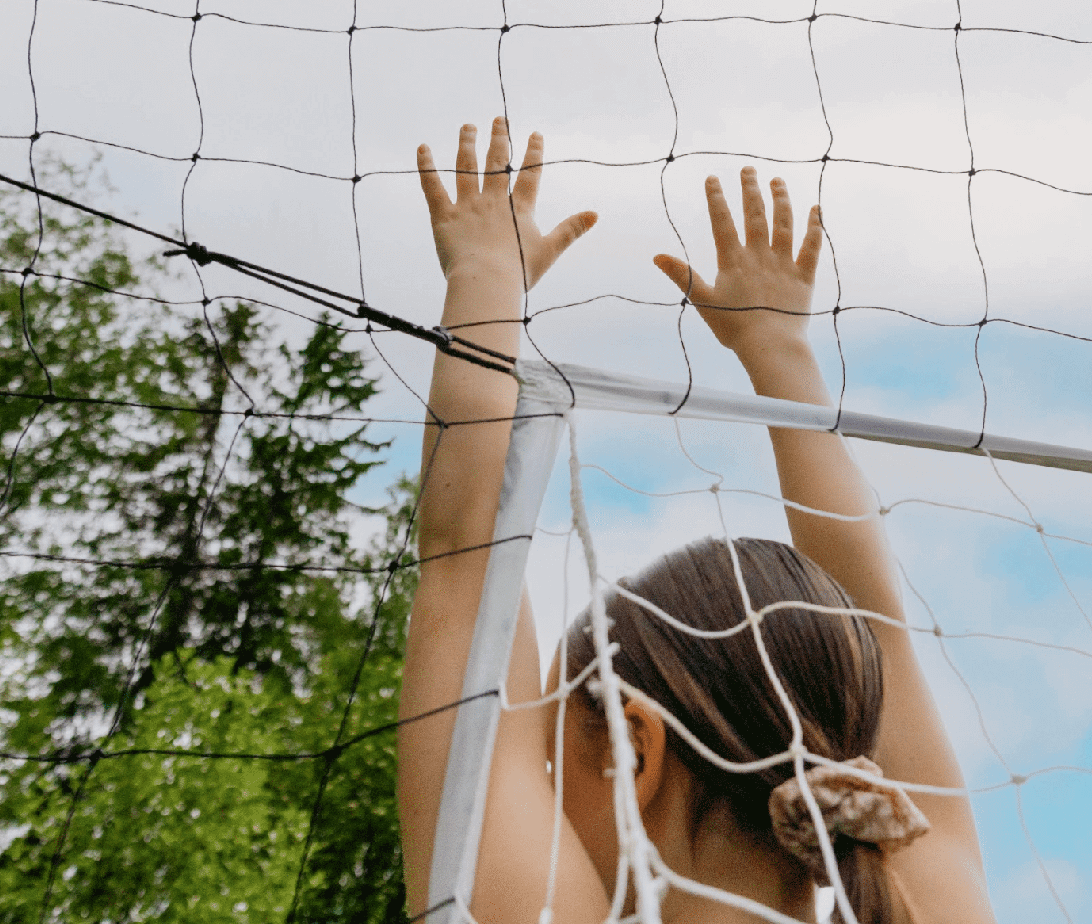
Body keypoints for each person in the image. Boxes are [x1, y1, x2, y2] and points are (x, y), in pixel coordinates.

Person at [397, 119, 995, 924]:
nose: (539, 780)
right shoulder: (927, 909)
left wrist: (482, 277)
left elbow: (464, 555)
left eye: (548, 757)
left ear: (630, 750)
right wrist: (781, 351)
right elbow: (875, 625)